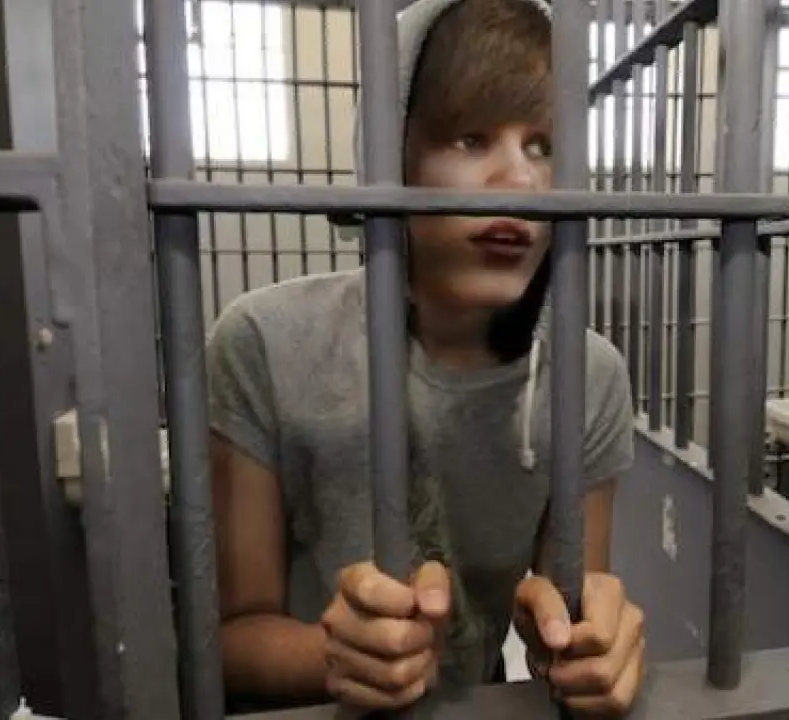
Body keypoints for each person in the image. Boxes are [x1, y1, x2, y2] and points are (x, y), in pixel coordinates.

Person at [205, 0, 645, 715]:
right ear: (389, 159)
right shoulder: (262, 343)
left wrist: (587, 645)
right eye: (471, 138)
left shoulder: (589, 377)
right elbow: (223, 640)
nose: (522, 181)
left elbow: (572, 609)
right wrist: (336, 656)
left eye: (543, 146)